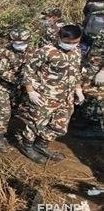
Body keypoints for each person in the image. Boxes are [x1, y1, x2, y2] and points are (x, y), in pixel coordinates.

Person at [19, 24, 84, 164]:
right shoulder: (46, 51)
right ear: (59, 37)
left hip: (66, 97)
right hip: (46, 96)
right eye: (67, 42)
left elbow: (76, 72)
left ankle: (41, 145)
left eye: (75, 42)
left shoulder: (77, 52)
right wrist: (30, 92)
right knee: (37, 123)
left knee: (59, 126)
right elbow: (28, 71)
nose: (71, 45)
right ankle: (27, 146)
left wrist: (78, 89)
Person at [0, 27, 32, 153]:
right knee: (4, 112)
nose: (19, 46)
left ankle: (19, 133)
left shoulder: (33, 51)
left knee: (19, 109)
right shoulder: (4, 51)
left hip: (19, 86)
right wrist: (24, 81)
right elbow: (2, 72)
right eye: (16, 43)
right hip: (2, 85)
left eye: (22, 43)